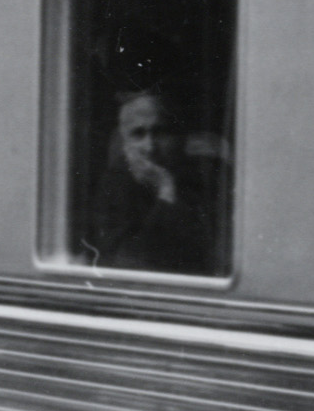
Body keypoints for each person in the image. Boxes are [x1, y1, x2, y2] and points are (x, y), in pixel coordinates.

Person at [78, 86, 222, 274]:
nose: (150, 146)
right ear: (125, 142)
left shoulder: (198, 181)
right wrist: (165, 191)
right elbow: (133, 263)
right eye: (138, 134)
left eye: (160, 132)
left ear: (177, 138)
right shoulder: (113, 187)